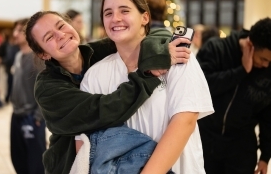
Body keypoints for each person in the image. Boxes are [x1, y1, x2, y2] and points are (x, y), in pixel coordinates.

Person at [24, 9, 191, 173]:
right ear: (43, 54)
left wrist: (159, 52)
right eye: (49, 37)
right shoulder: (47, 88)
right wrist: (147, 75)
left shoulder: (100, 51)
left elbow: (146, 35)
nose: (60, 35)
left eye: (61, 26)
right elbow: (103, 110)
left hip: (118, 159)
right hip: (72, 165)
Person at [78, 0, 214, 174]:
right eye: (108, 13)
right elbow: (86, 138)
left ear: (145, 17)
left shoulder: (177, 56)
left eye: (124, 10)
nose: (115, 18)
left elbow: (185, 121)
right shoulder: (96, 74)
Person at [196, 17, 271, 174]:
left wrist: (265, 156)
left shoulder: (268, 70)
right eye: (263, 59)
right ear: (250, 45)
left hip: (241, 151)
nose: (266, 65)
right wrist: (241, 71)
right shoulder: (216, 49)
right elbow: (200, 88)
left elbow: (268, 115)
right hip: (205, 142)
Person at [10, 18, 46, 174]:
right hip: (17, 114)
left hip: (32, 117)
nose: (14, 34)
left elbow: (45, 90)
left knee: (35, 164)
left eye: (19, 30)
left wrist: (38, 117)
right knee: (18, 159)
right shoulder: (18, 56)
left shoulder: (38, 59)